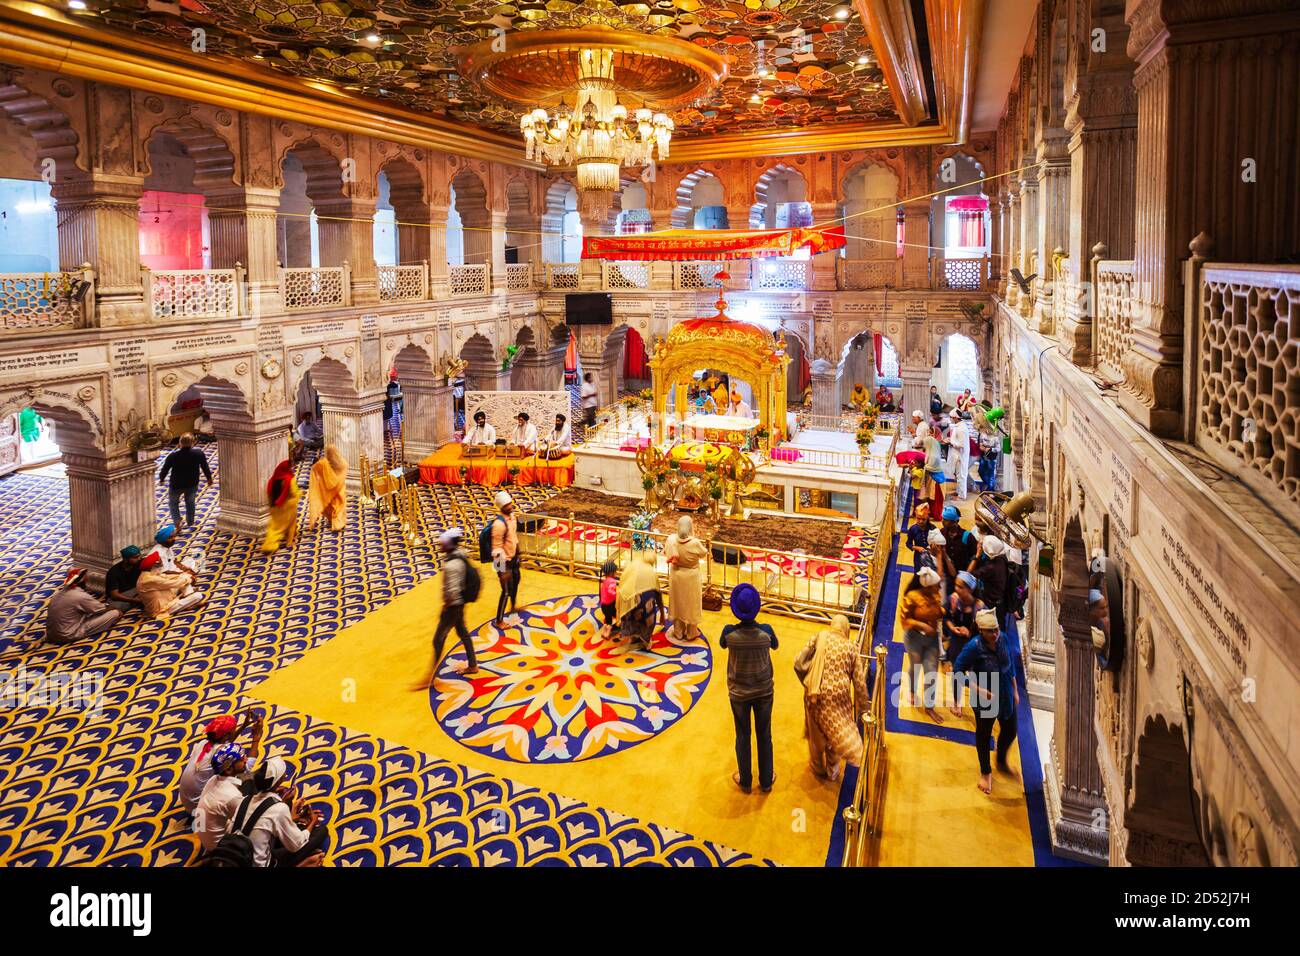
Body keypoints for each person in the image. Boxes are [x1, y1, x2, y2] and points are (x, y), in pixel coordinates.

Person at [796, 613, 869, 781]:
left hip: (814, 695)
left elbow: (798, 662)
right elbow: (859, 683)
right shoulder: (851, 647)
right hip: (839, 701)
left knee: (816, 737)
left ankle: (817, 768)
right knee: (836, 731)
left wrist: (808, 682)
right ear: (846, 630)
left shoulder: (819, 637)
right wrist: (864, 707)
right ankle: (833, 770)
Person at [718, 584, 777, 794]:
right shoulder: (766, 631)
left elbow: (721, 644)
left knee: (742, 735)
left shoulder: (729, 632)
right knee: (764, 734)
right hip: (763, 690)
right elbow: (776, 645)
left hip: (739, 692)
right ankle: (766, 780)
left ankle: (745, 781)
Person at [954, 608, 1019, 795]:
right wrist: (979, 689)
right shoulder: (974, 647)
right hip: (984, 698)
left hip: (1005, 692)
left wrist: (1015, 689)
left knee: (1010, 730)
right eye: (991, 631)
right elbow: (958, 672)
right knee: (984, 735)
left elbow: (1011, 665)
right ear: (981, 631)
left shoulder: (1004, 639)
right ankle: (986, 772)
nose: (995, 634)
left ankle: (1001, 762)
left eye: (997, 629)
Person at [225, 756, 328, 867]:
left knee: (283, 832)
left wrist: (287, 806)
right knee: (321, 831)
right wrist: (312, 822)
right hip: (261, 863)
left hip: (236, 857)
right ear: (279, 781)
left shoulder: (245, 800)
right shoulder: (278, 809)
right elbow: (296, 844)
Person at [178, 710, 264, 814]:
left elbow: (226, 742)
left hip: (189, 802)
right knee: (248, 776)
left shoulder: (203, 744)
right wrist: (256, 737)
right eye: (233, 730)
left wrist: (244, 725)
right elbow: (247, 765)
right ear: (226, 735)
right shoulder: (220, 751)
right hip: (200, 809)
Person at [423, 528, 479, 681]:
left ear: (448, 545)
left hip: (454, 606)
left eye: (442, 544)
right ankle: (473, 664)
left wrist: (446, 606)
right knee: (463, 633)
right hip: (459, 604)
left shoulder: (451, 566)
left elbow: (452, 591)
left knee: (438, 639)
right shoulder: (461, 555)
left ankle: (430, 677)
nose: (440, 546)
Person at [900, 565, 944, 722]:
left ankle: (930, 706)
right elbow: (904, 620)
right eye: (936, 585)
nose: (939, 587)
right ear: (927, 586)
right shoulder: (912, 597)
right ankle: (912, 690)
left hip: (932, 638)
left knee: (931, 672)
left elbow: (940, 614)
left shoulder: (936, 596)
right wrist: (921, 625)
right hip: (914, 638)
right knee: (915, 666)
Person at [195, 741, 250, 853]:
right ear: (229, 769)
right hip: (220, 847)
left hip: (205, 838)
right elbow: (248, 817)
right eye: (241, 759)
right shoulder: (232, 795)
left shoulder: (213, 780)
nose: (246, 760)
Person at [45, 567, 121, 646]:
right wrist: (115, 609)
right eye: (86, 578)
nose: (87, 580)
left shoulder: (59, 593)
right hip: (68, 635)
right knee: (114, 613)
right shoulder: (80, 595)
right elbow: (101, 609)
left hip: (51, 635)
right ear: (82, 581)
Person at [943, 571, 983, 716]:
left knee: (973, 674)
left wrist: (970, 633)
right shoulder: (953, 600)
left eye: (960, 587)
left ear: (970, 589)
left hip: (973, 645)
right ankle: (956, 702)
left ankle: (977, 701)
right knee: (957, 673)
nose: (957, 590)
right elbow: (946, 618)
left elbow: (986, 632)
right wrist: (953, 628)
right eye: (956, 586)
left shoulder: (979, 608)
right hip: (956, 643)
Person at [664, 515, 709, 642]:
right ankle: (691, 632)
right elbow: (704, 553)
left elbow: (666, 553)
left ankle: (678, 631)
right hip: (691, 577)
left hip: (676, 575)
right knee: (691, 604)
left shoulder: (671, 540)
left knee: (678, 603)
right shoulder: (694, 543)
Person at [158, 433, 212, 530]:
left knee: (173, 503)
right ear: (193, 442)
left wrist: (162, 479)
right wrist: (209, 478)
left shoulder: (173, 456)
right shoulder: (198, 453)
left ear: (180, 443)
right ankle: (190, 521)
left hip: (176, 484)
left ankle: (177, 521)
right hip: (192, 483)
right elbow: (205, 467)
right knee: (190, 502)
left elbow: (165, 469)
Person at [135, 550, 205, 619]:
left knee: (183, 577)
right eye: (160, 563)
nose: (162, 564)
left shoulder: (148, 574)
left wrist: (186, 575)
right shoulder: (149, 580)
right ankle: (188, 602)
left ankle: (188, 598)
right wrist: (190, 579)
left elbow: (166, 577)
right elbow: (173, 583)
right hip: (161, 609)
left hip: (167, 598)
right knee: (198, 596)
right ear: (154, 565)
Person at [616, 550, 662, 648]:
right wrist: (662, 613)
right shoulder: (651, 572)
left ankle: (633, 636)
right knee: (648, 613)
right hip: (643, 603)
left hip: (627, 599)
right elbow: (658, 595)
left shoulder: (633, 564)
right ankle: (646, 640)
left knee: (632, 614)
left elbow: (622, 582)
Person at [490, 490, 521, 627]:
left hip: (513, 558)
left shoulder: (513, 517)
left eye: (510, 503)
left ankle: (513, 607)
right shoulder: (498, 524)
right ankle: (499, 621)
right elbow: (496, 549)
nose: (510, 506)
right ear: (502, 508)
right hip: (503, 562)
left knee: (515, 584)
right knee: (506, 591)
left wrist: (518, 553)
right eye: (507, 505)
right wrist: (502, 571)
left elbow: (513, 537)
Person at [971, 534, 1010, 631]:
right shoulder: (1002, 559)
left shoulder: (990, 568)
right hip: (1002, 601)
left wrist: (977, 556)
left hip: (992, 604)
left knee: (993, 629)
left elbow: (968, 575)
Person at [261, 460, 300, 554]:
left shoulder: (273, 479)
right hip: (288, 507)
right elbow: (294, 493)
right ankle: (288, 542)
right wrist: (301, 493)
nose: (292, 468)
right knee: (289, 524)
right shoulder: (289, 479)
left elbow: (268, 492)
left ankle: (267, 544)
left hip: (274, 507)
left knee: (274, 527)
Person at [307, 443, 348, 532]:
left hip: (328, 491)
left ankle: (331, 520)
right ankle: (338, 524)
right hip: (339, 490)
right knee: (339, 507)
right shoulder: (342, 463)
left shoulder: (324, 463)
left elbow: (315, 469)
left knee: (330, 506)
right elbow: (343, 473)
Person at [104, 545, 145, 613]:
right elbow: (115, 595)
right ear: (126, 559)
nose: (139, 558)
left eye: (139, 556)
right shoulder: (113, 572)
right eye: (135, 557)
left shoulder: (138, 562)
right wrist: (136, 600)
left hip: (136, 589)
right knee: (113, 609)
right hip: (122, 595)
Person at [948, 413, 972, 500]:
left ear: (955, 418)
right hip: (957, 455)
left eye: (951, 417)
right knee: (958, 475)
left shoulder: (961, 429)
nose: (951, 419)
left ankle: (962, 496)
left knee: (961, 475)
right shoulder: (959, 426)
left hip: (960, 456)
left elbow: (961, 444)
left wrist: (950, 443)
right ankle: (958, 492)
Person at [598, 559, 619, 638]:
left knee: (608, 618)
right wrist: (616, 594)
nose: (616, 573)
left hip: (604, 605)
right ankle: (608, 632)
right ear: (611, 572)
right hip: (610, 605)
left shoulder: (605, 581)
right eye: (615, 571)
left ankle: (604, 630)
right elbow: (611, 591)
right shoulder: (612, 581)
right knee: (615, 615)